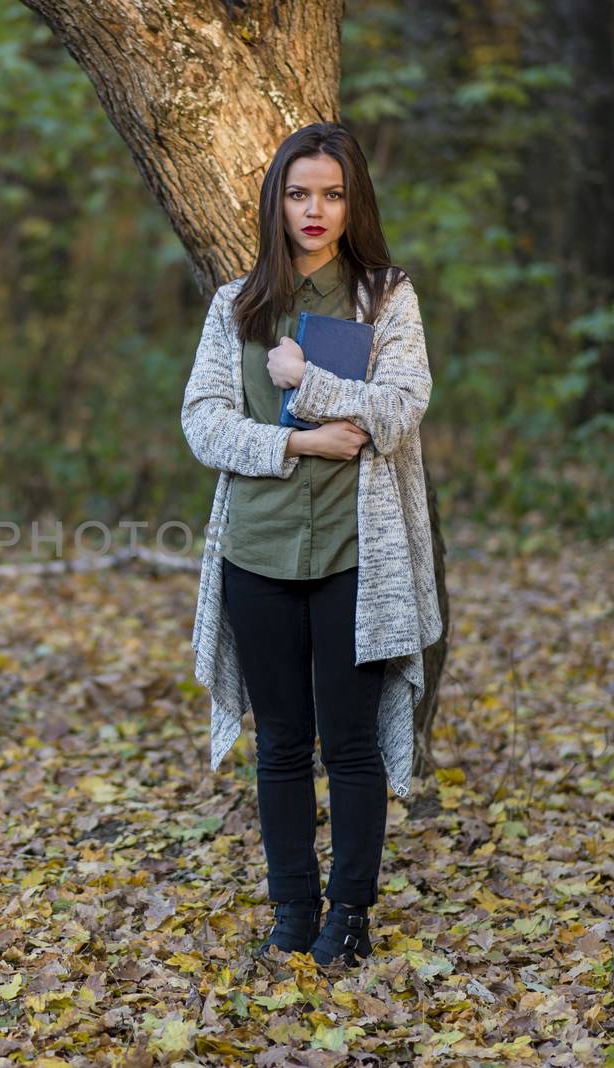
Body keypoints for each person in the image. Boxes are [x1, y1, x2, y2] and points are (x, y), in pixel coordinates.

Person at [179, 122, 443, 968]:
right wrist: (296, 441)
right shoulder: (237, 304)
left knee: (351, 743)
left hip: (354, 563)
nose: (314, 210)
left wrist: (312, 384)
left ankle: (350, 915)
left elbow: (402, 410)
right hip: (256, 555)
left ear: (352, 199)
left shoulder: (386, 297)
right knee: (282, 744)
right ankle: (293, 910)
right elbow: (202, 422)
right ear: (277, 203)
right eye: (299, 194)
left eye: (331, 193)